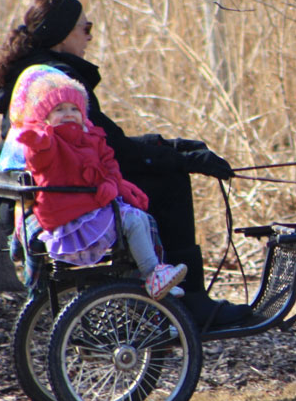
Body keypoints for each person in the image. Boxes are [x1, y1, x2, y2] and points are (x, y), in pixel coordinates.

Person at [0, 0, 251, 328]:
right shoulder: (56, 81)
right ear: (64, 32)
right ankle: (191, 302)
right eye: (86, 28)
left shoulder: (28, 75)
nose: (89, 36)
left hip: (36, 197)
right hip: (63, 198)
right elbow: (109, 150)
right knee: (169, 182)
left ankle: (167, 295)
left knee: (161, 168)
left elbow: (101, 140)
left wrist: (171, 148)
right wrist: (179, 159)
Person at [10, 68, 186, 300]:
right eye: (59, 110)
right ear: (45, 118)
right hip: (72, 218)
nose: (68, 114)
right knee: (133, 221)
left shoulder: (93, 137)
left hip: (92, 207)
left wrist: (111, 183)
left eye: (74, 109)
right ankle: (152, 274)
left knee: (141, 218)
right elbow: (40, 161)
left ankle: (147, 276)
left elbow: (109, 164)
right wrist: (37, 143)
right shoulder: (49, 140)